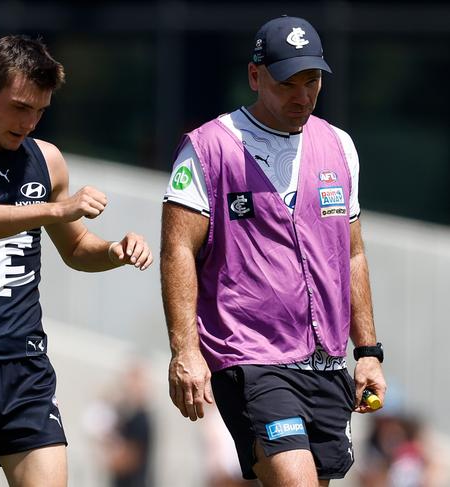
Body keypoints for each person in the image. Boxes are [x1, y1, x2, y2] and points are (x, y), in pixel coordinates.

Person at [0, 35, 153, 487]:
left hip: (25, 369)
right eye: (19, 107)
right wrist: (58, 209)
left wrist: (115, 251)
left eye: (40, 110)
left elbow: (75, 249)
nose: (30, 122)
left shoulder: (47, 160)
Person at [160, 15, 386, 486]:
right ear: (255, 76)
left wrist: (367, 351)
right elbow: (178, 247)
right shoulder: (209, 147)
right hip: (251, 356)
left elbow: (354, 254)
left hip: (326, 361)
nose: (302, 95)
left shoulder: (340, 146)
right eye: (288, 83)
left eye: (313, 81)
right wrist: (185, 350)